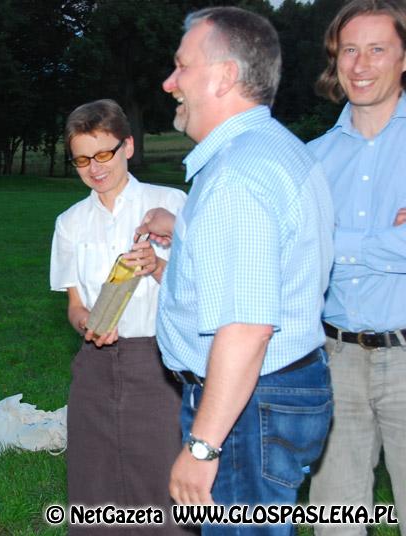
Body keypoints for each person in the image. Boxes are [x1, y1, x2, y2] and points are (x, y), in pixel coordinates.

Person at [138, 7, 334, 534]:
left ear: (225, 76)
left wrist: (203, 446)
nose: (170, 83)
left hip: (246, 406)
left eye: (182, 66)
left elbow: (247, 327)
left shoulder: (237, 176)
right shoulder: (276, 149)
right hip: (272, 392)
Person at [50, 99, 188, 534]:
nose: (95, 168)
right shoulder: (70, 222)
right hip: (96, 364)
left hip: (161, 362)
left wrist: (159, 266)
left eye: (104, 154)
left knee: (162, 480)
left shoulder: (171, 204)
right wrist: (87, 323)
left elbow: (205, 290)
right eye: (82, 159)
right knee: (94, 484)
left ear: (128, 146)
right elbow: (75, 306)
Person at [306, 1, 406, 534]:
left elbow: (320, 249)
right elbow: (297, 254)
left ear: (404, 58)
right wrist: (390, 243)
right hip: (333, 359)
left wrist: (333, 242)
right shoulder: (312, 160)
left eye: (377, 49)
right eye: (349, 50)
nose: (360, 64)